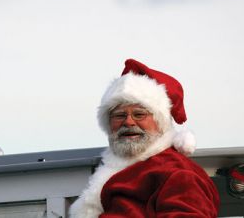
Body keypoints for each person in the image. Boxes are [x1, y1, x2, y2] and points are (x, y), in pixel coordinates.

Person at [69, 59, 220, 218]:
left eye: (139, 114)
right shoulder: (122, 171)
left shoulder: (178, 174)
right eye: (119, 115)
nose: (128, 122)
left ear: (161, 122)